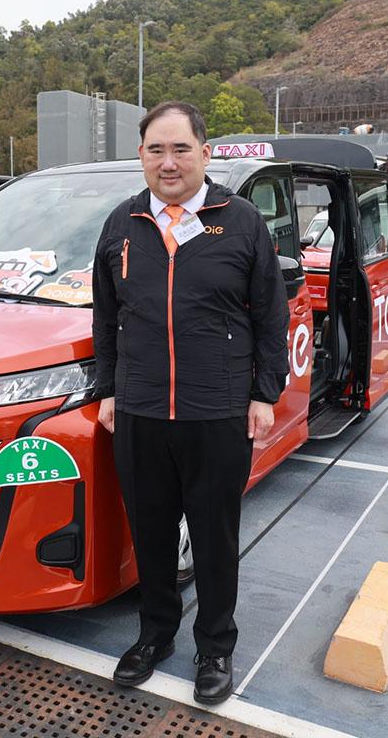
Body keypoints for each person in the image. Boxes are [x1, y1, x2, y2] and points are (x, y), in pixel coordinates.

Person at [92, 101, 288, 706]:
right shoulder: (122, 224)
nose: (168, 162)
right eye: (156, 149)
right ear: (141, 156)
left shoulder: (242, 220)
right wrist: (107, 389)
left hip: (217, 408)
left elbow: (270, 314)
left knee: (213, 535)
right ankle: (155, 636)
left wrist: (264, 392)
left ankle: (216, 646)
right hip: (142, 409)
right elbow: (106, 314)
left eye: (181, 149)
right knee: (149, 533)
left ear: (206, 153)